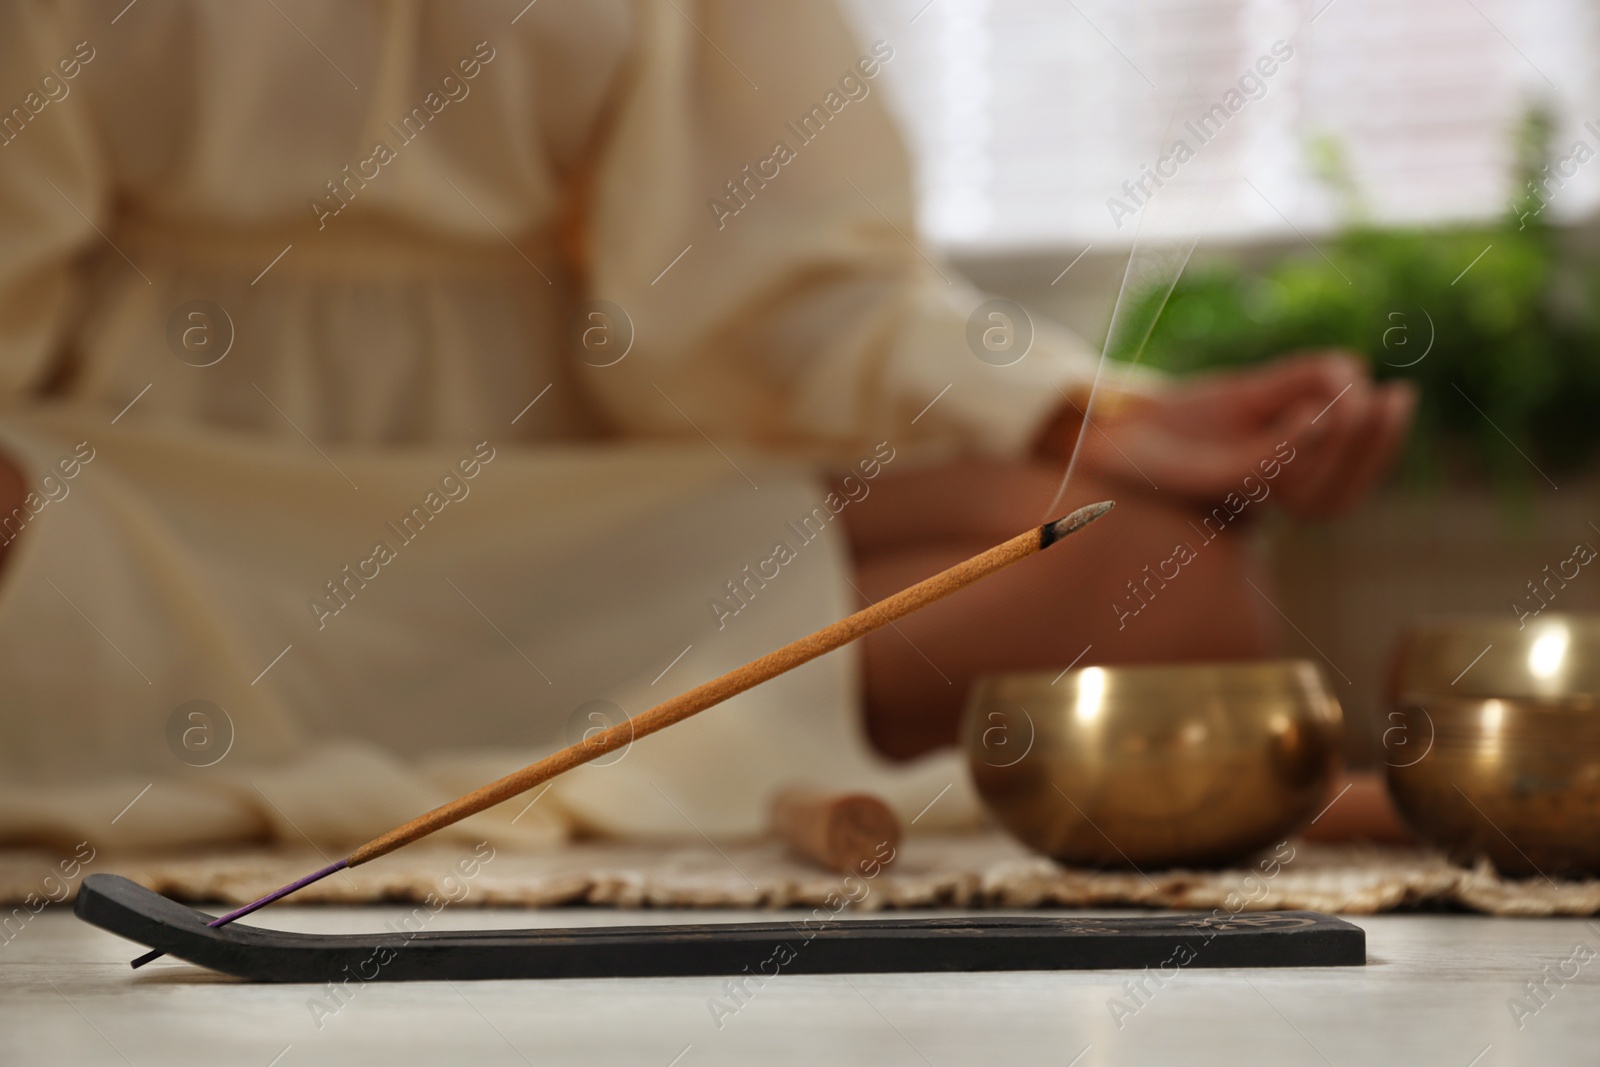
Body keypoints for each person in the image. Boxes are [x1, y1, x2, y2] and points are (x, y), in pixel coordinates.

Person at [0, 1, 1410, 853]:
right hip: (144, 505)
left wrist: (1089, 416)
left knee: (1162, 583)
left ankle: (580, 749)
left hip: (557, 508)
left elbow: (781, 277)